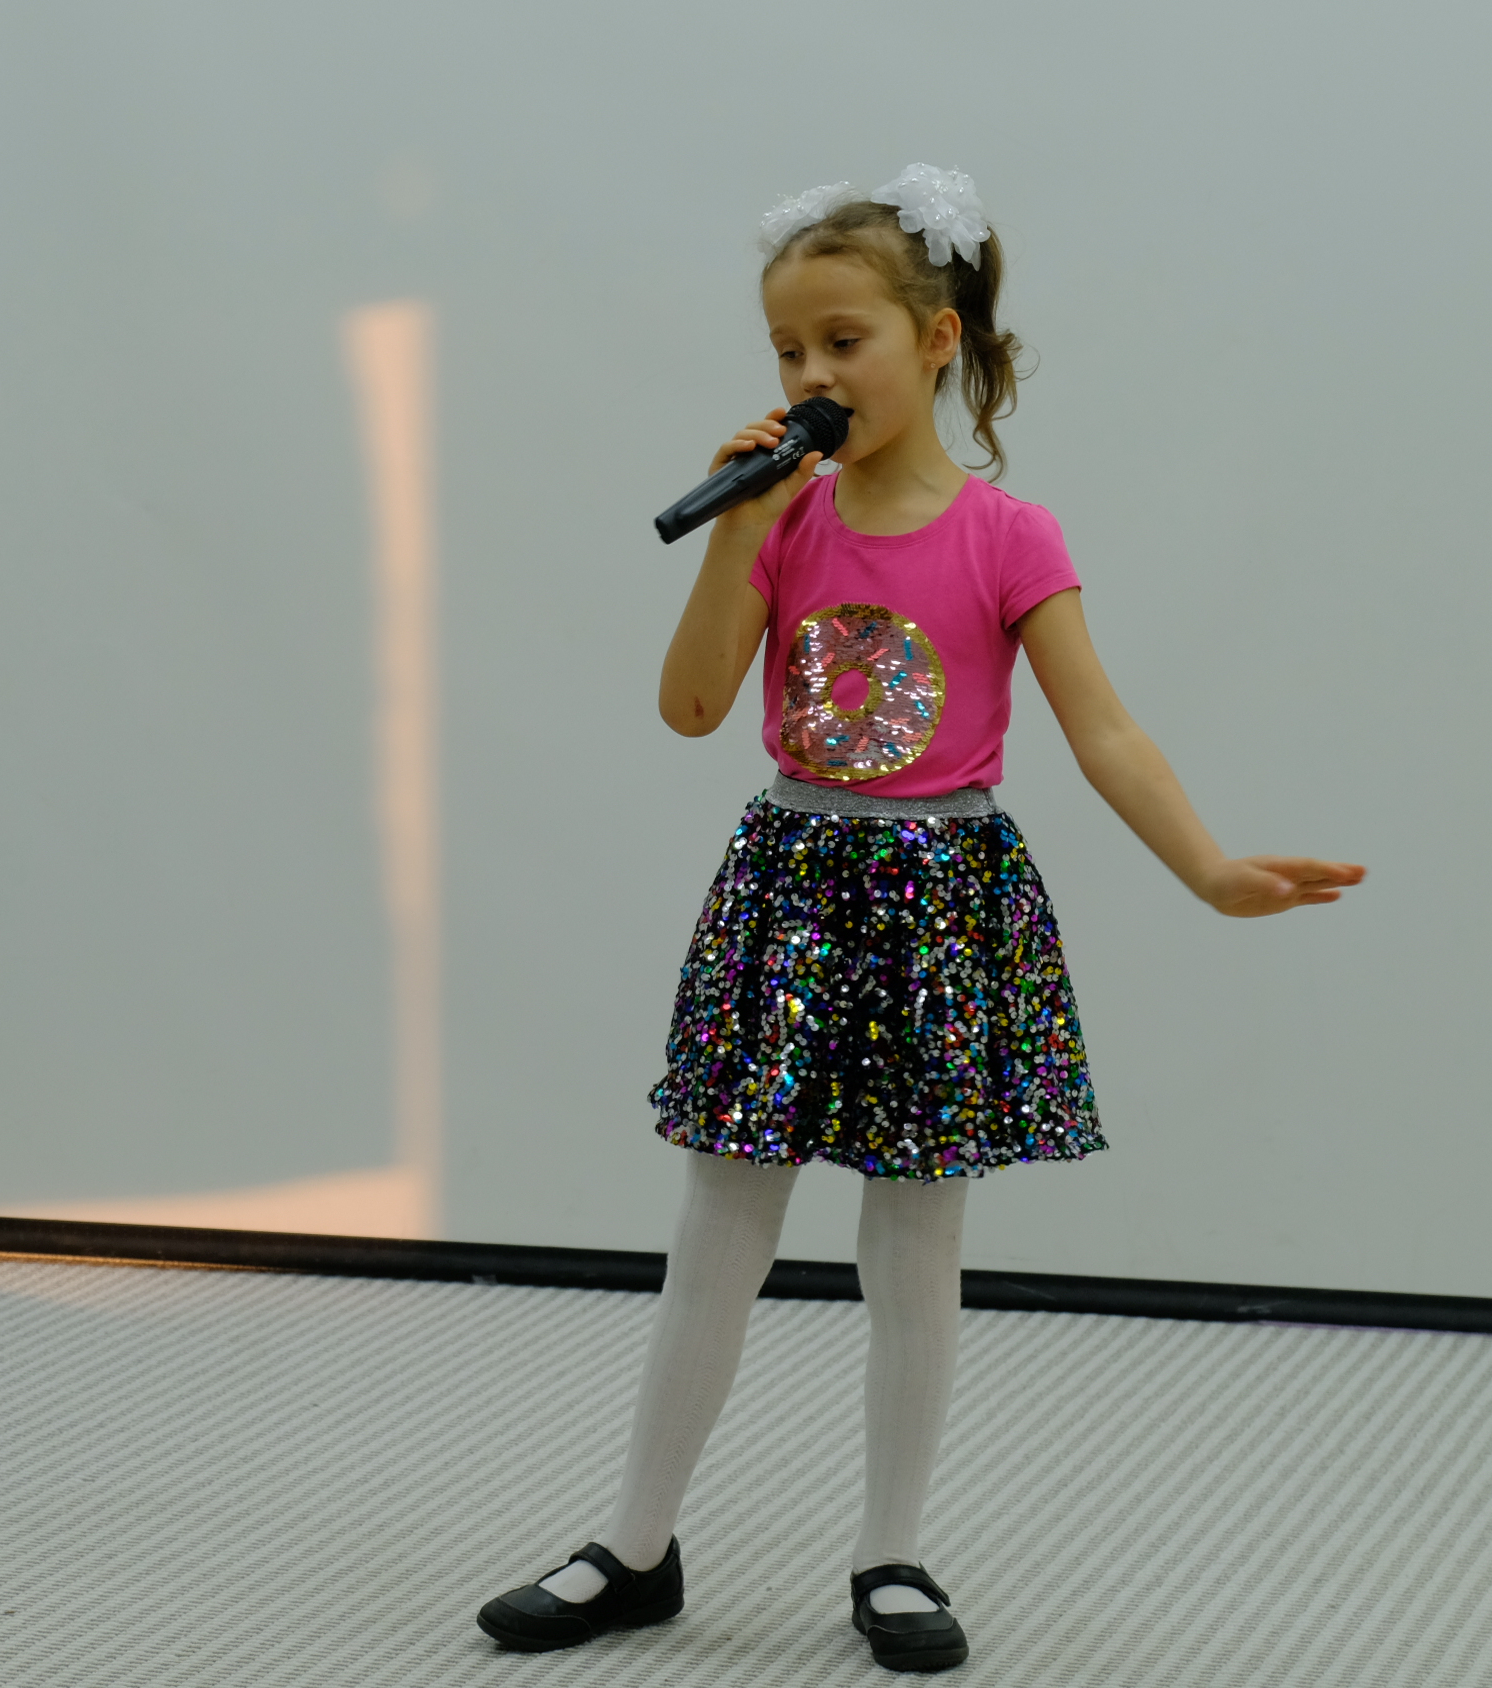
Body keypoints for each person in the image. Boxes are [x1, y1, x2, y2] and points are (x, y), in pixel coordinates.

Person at [476, 164, 1366, 1673]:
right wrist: (735, 533)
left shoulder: (1009, 536)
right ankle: (635, 1543)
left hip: (943, 898)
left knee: (916, 1235)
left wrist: (1208, 869)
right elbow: (692, 707)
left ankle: (890, 1550)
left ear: (937, 339)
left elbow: (1104, 729)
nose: (811, 376)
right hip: (793, 883)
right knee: (723, 1218)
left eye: (844, 341)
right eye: (787, 350)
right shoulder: (781, 520)